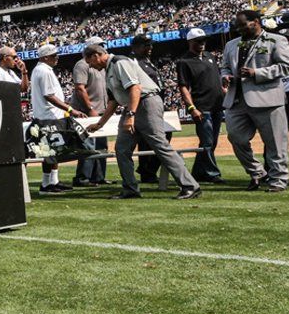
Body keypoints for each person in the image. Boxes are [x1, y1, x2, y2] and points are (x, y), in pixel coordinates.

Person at [84, 43, 201, 200]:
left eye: (89, 62)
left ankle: (190, 186)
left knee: (160, 145)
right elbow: (113, 101)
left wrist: (131, 115)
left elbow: (135, 88)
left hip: (146, 103)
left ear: (95, 56)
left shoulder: (120, 62)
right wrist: (100, 124)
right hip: (132, 106)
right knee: (122, 149)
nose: (90, 66)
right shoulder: (109, 69)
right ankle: (130, 189)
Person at [220, 9, 289, 192]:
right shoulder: (231, 44)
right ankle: (257, 171)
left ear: (256, 21)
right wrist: (226, 76)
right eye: (237, 26)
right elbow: (225, 67)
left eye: (243, 24)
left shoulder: (276, 40)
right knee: (235, 137)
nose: (240, 29)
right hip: (237, 100)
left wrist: (257, 73)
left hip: (267, 98)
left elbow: (287, 66)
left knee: (275, 143)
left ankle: (278, 179)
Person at [176, 27, 226, 183]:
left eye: (204, 40)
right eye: (198, 41)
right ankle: (212, 173)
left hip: (217, 105)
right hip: (202, 107)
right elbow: (183, 87)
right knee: (208, 142)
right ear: (190, 42)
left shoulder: (210, 56)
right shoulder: (184, 61)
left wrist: (224, 89)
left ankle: (198, 172)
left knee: (211, 142)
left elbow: (216, 78)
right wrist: (192, 108)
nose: (202, 43)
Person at [29, 43, 79, 194]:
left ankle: (53, 181)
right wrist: (70, 109)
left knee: (55, 150)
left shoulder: (41, 69)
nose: (57, 58)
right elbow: (49, 96)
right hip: (48, 116)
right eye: (53, 55)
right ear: (45, 57)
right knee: (49, 152)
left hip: (49, 115)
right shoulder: (44, 72)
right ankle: (45, 185)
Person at [70, 36, 109, 187]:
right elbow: (80, 88)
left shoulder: (101, 64)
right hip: (87, 112)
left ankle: (98, 177)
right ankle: (82, 178)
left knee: (101, 146)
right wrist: (90, 108)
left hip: (101, 111)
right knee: (88, 146)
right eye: (100, 45)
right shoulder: (82, 64)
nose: (103, 47)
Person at [131, 34, 168, 184]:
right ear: (135, 47)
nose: (150, 48)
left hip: (157, 105)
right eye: (146, 45)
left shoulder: (147, 61)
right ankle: (147, 171)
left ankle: (147, 170)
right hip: (145, 105)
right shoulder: (133, 63)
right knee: (151, 140)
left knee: (164, 135)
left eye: (150, 45)